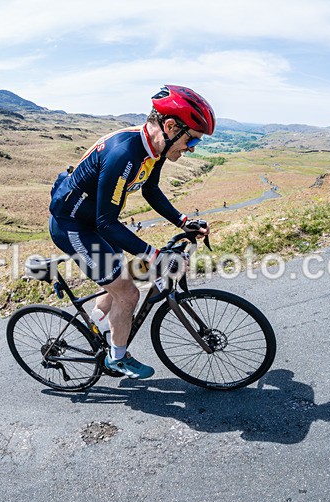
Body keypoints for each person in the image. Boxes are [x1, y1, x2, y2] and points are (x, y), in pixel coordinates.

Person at [48, 85, 215, 379]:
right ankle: (117, 358)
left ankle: (97, 329)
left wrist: (182, 220)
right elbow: (107, 224)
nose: (190, 149)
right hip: (73, 226)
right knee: (128, 293)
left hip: (95, 222)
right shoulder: (124, 154)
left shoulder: (156, 146)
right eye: (192, 142)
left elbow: (150, 189)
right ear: (171, 126)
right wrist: (155, 255)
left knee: (123, 278)